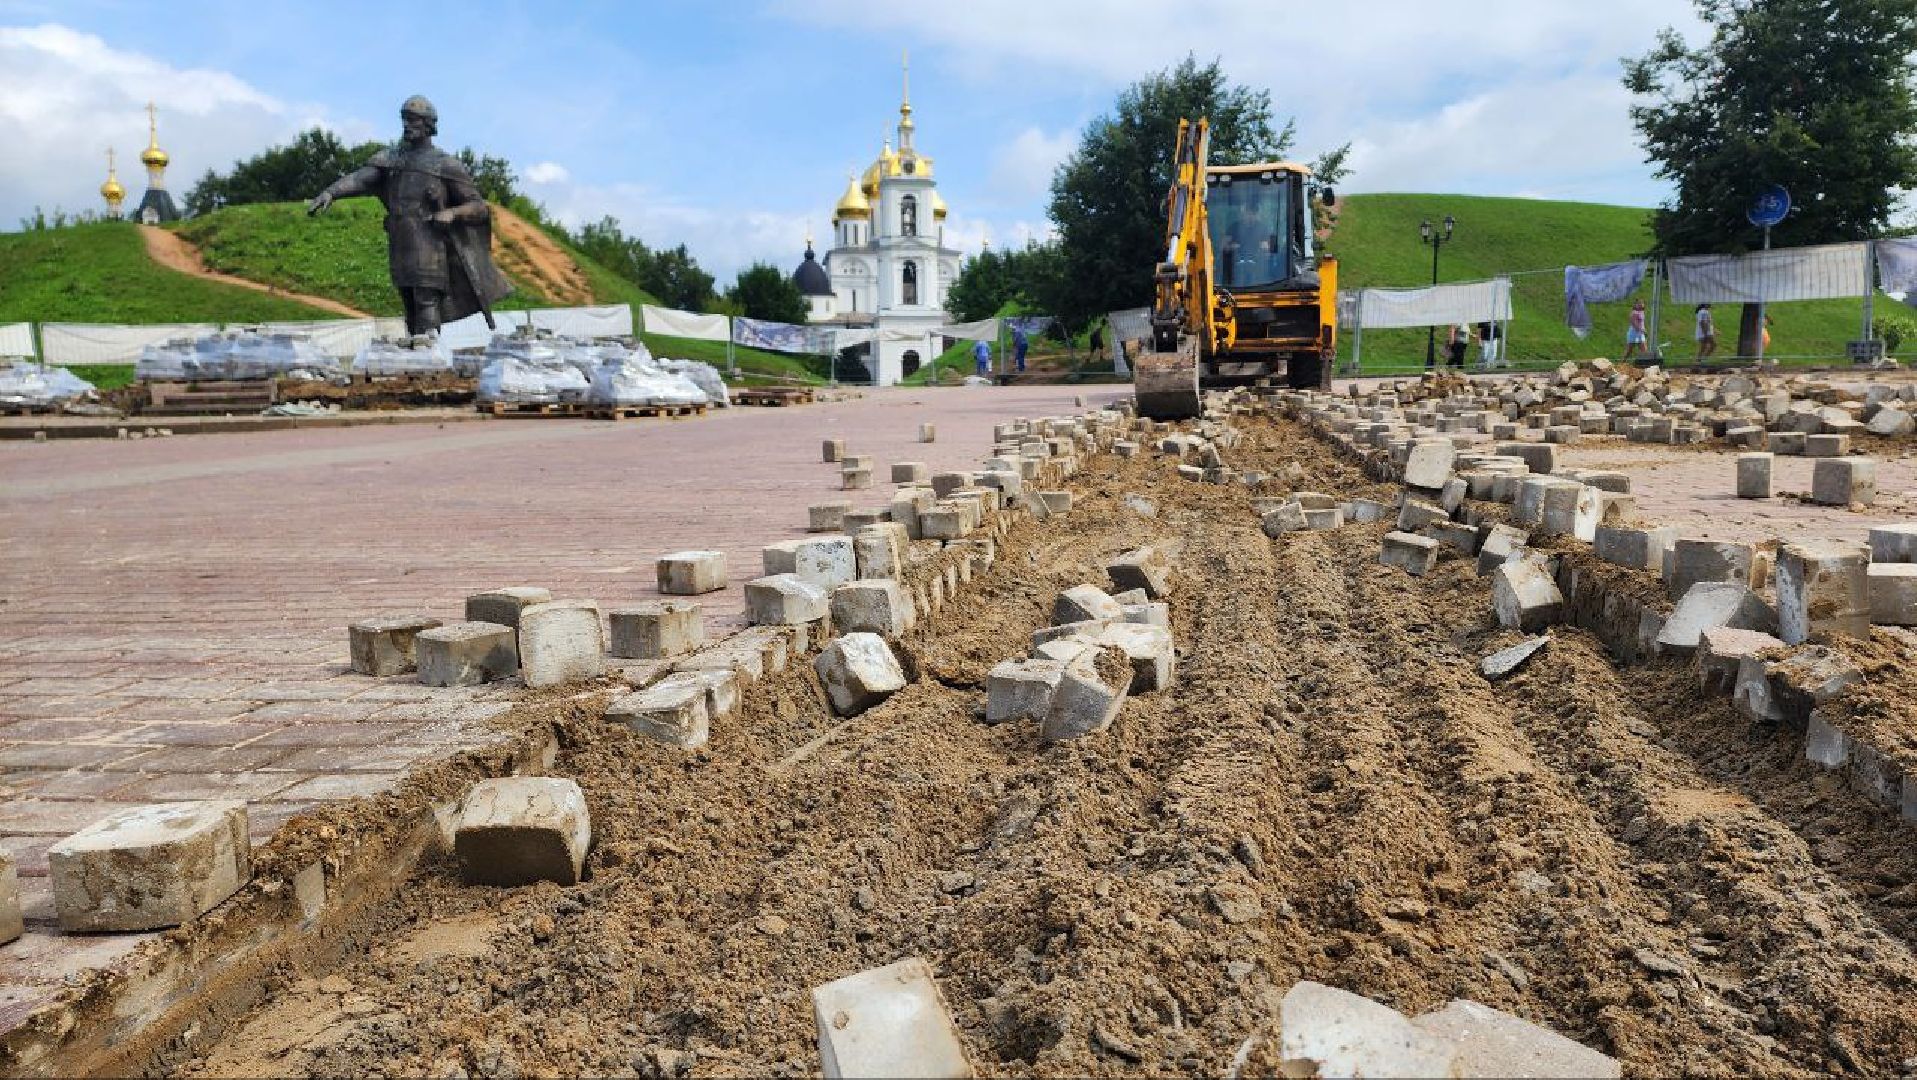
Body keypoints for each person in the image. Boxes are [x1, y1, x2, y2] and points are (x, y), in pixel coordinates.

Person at [307, 96, 511, 337]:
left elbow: (478, 207)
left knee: (426, 300)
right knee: (409, 303)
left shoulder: (444, 164)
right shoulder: (392, 159)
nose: (407, 125)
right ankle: (417, 354)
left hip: (429, 244)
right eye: (404, 119)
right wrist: (331, 192)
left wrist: (452, 212)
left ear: (428, 125)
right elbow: (361, 179)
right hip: (401, 241)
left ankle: (429, 354)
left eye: (413, 120)